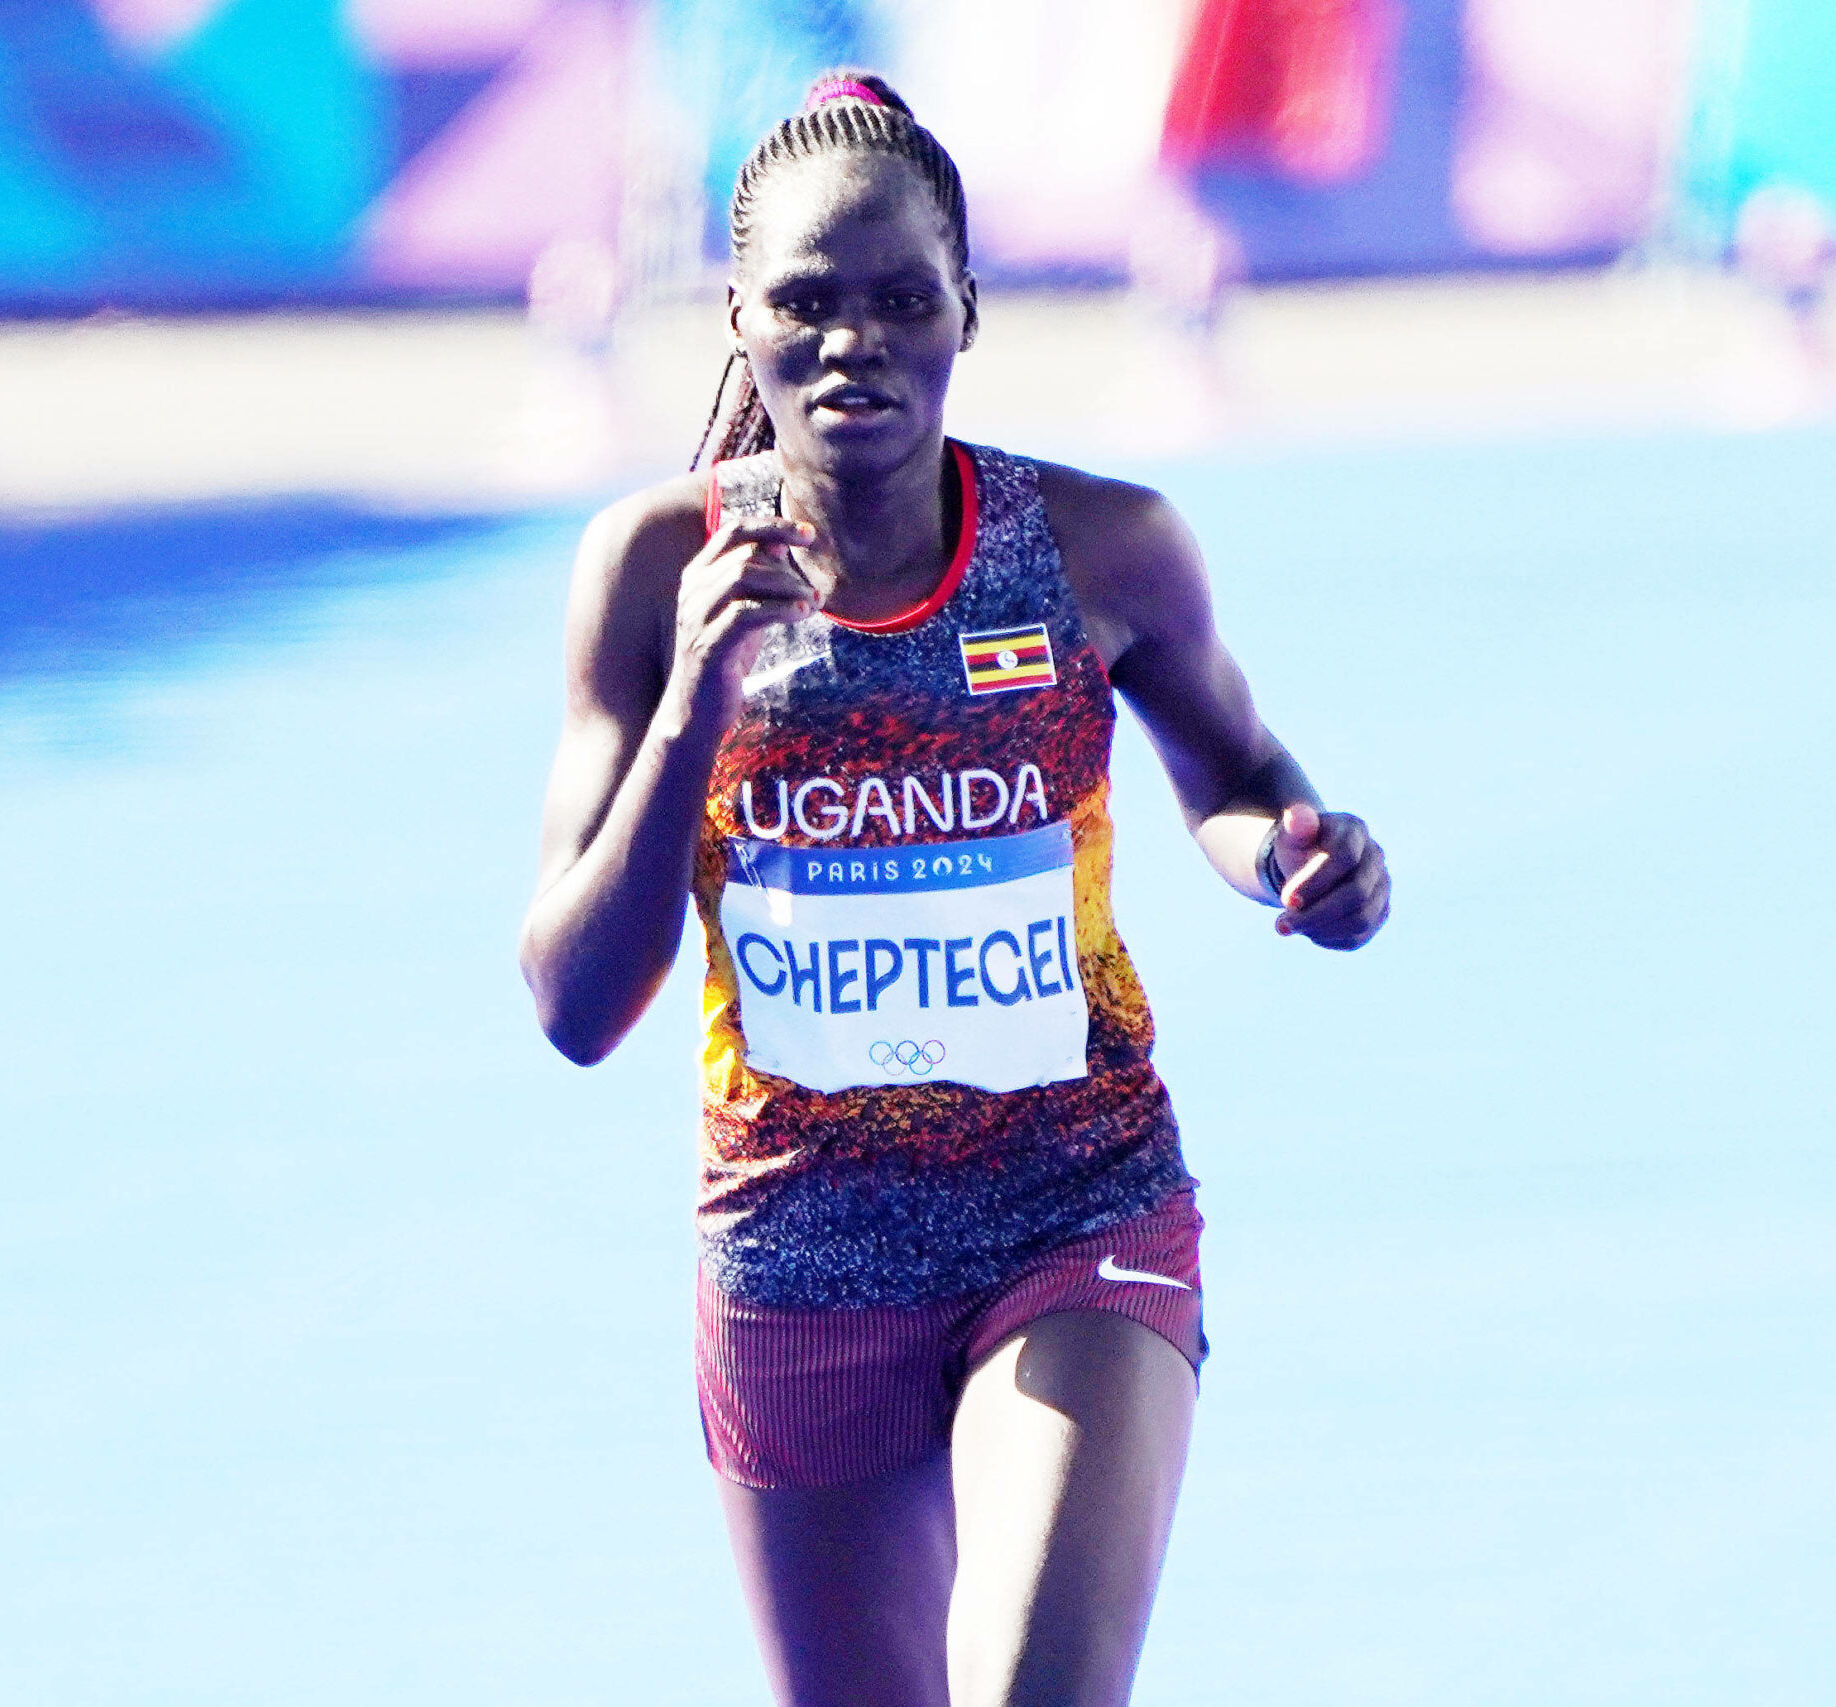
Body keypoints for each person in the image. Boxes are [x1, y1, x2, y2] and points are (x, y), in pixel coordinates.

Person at [520, 72, 1389, 1707]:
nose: (856, 344)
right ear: (739, 320)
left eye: (903, 300)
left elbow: (1238, 775)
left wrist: (1298, 857)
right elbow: (571, 1004)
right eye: (806, 304)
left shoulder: (1099, 549)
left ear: (968, 309)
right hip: (797, 1254)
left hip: (1072, 1207)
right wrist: (701, 703)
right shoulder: (653, 572)